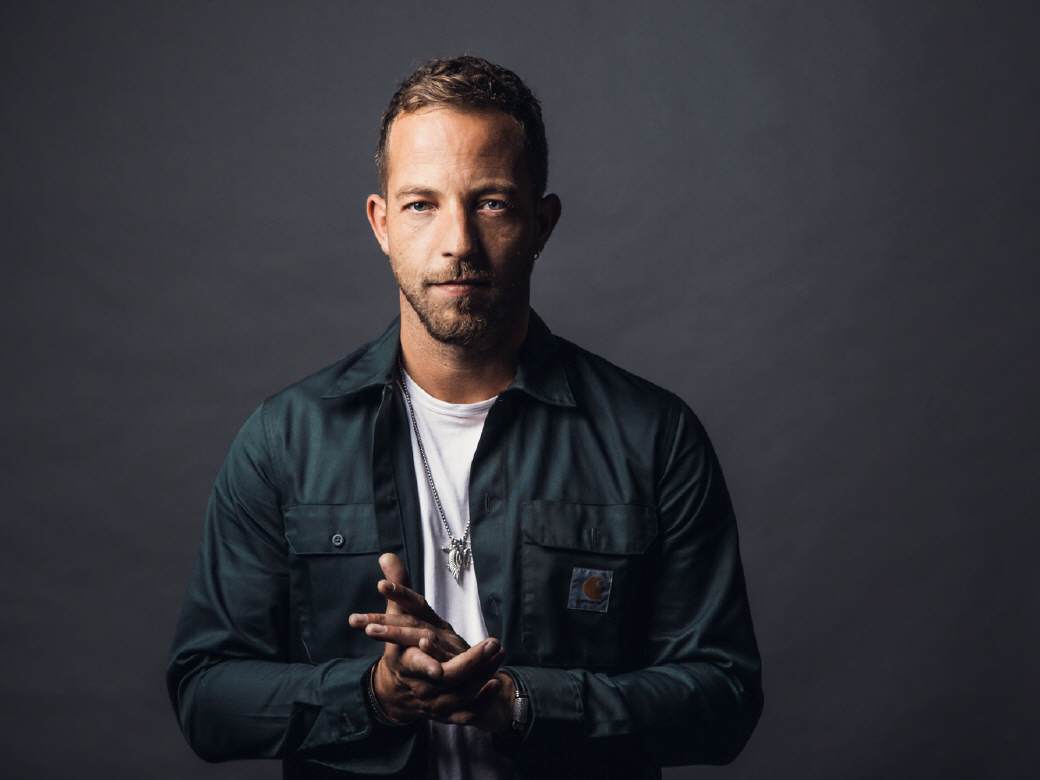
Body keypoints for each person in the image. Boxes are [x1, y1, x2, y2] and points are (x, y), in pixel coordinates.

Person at [166, 55, 763, 780]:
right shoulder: (285, 441)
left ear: (542, 223)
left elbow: (724, 700)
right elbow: (206, 697)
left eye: (492, 203)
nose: (459, 243)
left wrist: (521, 703)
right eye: (422, 204)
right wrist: (373, 695)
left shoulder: (653, 437)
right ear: (381, 223)